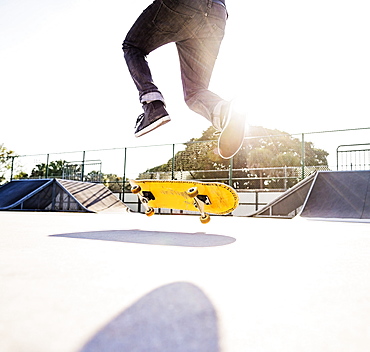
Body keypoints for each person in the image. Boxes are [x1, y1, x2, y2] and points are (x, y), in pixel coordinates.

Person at [122, 0, 246, 159]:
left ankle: (152, 105)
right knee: (195, 92)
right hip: (216, 15)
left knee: (133, 46)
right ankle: (223, 112)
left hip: (183, 6)